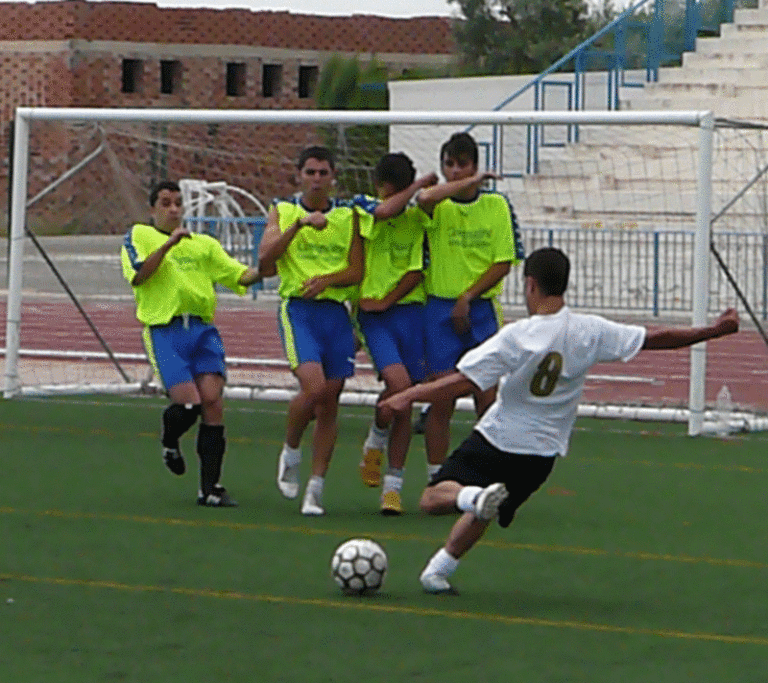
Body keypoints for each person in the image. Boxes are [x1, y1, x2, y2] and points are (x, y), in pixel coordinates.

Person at [379, 247, 740, 593]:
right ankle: (438, 571)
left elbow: (463, 382)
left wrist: (408, 395)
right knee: (486, 507)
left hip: (499, 439)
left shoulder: (519, 335)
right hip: (541, 456)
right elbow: (658, 337)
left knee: (433, 499)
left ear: (531, 284)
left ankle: (472, 498)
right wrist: (714, 330)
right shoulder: (590, 330)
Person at [121, 180, 262, 507]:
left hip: (201, 331)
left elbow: (239, 275)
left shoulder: (204, 245)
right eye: (166, 203)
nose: (173, 209)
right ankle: (170, 441)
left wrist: (270, 262)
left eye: (177, 203)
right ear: (152, 208)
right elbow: (140, 275)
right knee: (188, 404)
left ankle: (210, 489)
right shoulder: (140, 236)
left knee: (212, 402)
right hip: (166, 331)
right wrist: (168, 245)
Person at [258, 145, 370, 516]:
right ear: (299, 175)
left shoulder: (348, 216)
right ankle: (291, 450)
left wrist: (328, 280)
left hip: (335, 313)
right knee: (315, 387)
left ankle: (316, 488)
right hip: (299, 310)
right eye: (311, 172)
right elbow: (266, 258)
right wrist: (299, 226)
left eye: (323, 173)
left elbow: (356, 270)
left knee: (329, 403)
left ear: (333, 176)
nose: (317, 179)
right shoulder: (284, 209)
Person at [416, 131, 524, 479]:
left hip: (480, 310)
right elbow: (424, 199)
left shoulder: (496, 205)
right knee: (441, 396)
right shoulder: (436, 205)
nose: (456, 171)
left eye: (464, 164)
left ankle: (488, 472)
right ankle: (436, 474)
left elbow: (503, 262)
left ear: (475, 166)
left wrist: (468, 296)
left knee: (486, 396)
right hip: (438, 311)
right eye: (450, 164)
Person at [352, 152, 438, 514]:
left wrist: (389, 300)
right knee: (400, 387)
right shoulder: (365, 207)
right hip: (374, 316)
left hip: (407, 312)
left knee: (405, 402)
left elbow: (417, 271)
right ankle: (375, 438)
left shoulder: (419, 218)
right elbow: (385, 212)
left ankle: (393, 487)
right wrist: (417, 186)